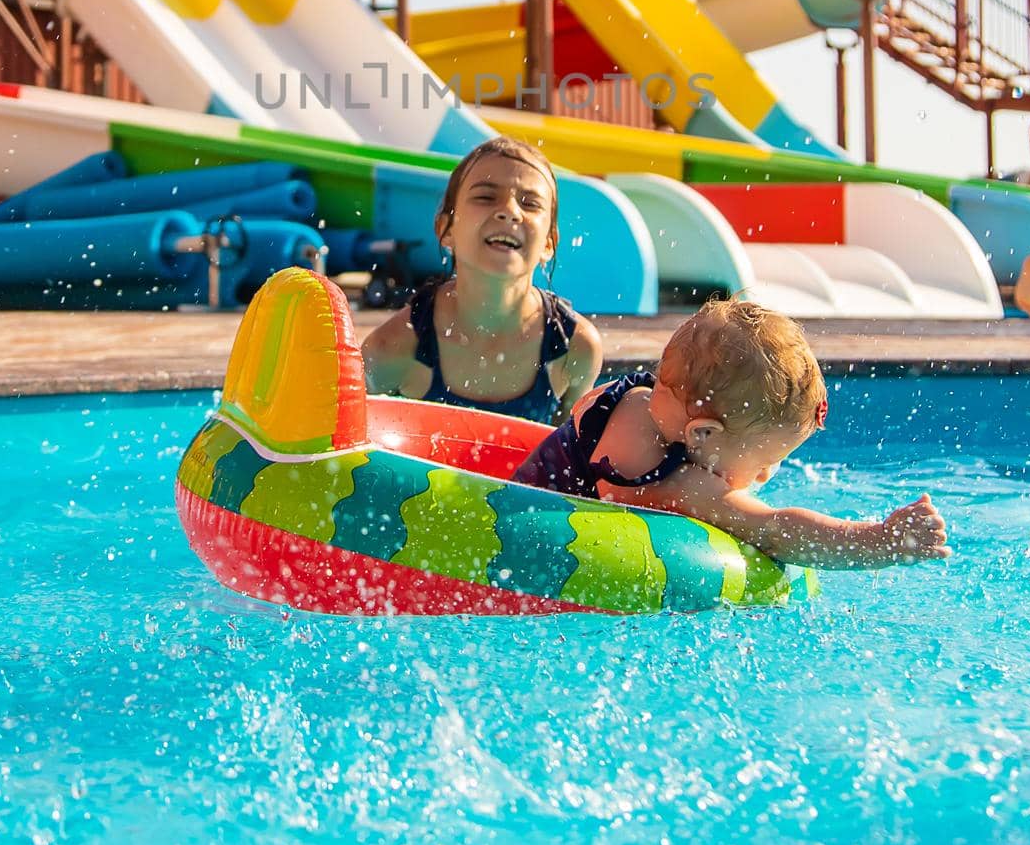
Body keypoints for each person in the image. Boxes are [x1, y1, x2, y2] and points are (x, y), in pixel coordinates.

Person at [514, 297, 951, 571]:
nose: (765, 477)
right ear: (702, 434)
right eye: (763, 463)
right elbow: (774, 530)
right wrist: (880, 541)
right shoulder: (663, 470)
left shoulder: (643, 401)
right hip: (517, 542)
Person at [362, 137, 603, 423]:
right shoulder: (393, 349)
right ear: (446, 229)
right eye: (486, 197)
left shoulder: (574, 349)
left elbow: (571, 457)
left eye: (530, 203)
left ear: (549, 243)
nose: (510, 211)